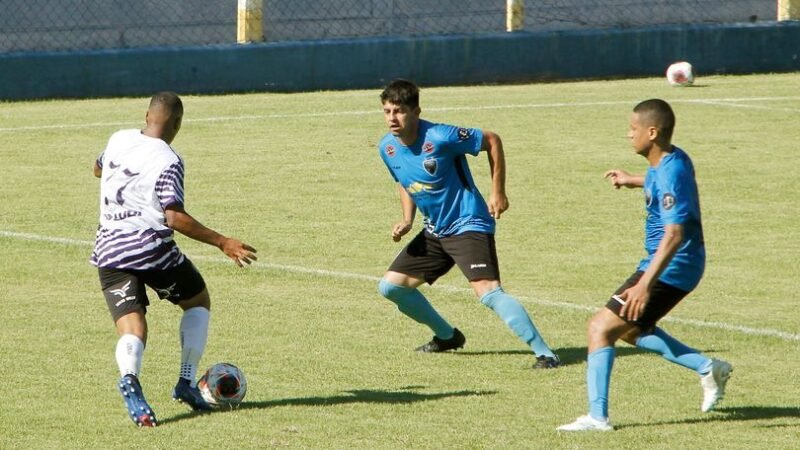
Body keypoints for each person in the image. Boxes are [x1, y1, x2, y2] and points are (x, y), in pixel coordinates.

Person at [558, 99, 732, 432]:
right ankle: (707, 367)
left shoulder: (670, 172)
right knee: (631, 330)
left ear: (651, 132)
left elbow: (674, 234)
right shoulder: (669, 159)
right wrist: (632, 179)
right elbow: (665, 185)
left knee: (600, 328)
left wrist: (644, 284)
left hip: (671, 264)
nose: (628, 135)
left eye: (633, 129)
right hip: (673, 263)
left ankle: (597, 417)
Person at [91, 92, 257, 427]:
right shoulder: (169, 160)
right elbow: (174, 218)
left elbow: (97, 168)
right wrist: (223, 242)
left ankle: (129, 379)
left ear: (146, 114)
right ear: (178, 123)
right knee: (197, 301)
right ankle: (185, 382)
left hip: (109, 249)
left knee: (133, 327)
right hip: (151, 250)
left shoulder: (118, 139)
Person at [376, 79, 559, 368]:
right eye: (387, 111)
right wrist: (407, 219)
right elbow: (403, 181)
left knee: (488, 292)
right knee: (391, 287)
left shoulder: (440, 136)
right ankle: (447, 337)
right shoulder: (387, 148)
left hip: (468, 223)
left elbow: (492, 140)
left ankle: (545, 353)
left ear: (416, 111)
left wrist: (497, 191)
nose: (392, 118)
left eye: (399, 111)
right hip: (436, 230)